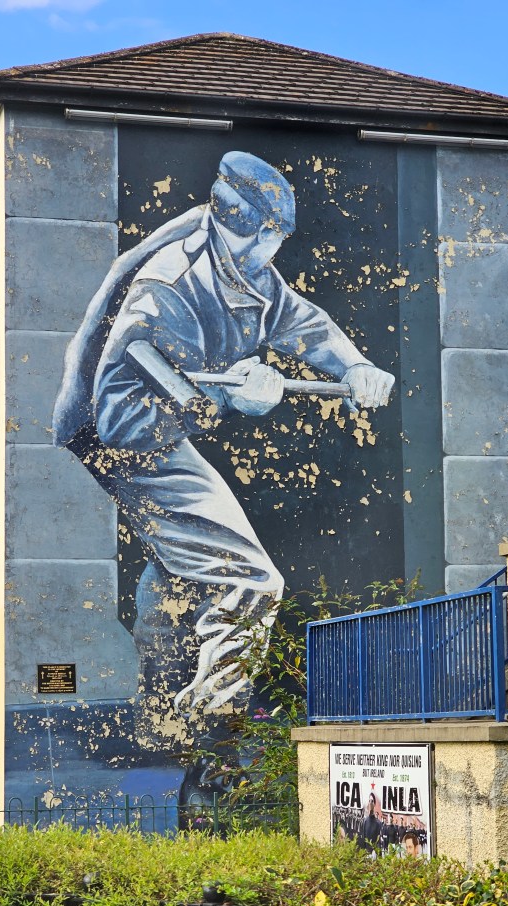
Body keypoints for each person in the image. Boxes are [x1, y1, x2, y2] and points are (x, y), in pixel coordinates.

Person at [53, 151, 394, 769]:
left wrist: (356, 366)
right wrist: (224, 401)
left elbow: (301, 322)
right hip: (120, 432)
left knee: (180, 567)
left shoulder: (237, 262)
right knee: (249, 578)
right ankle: (214, 723)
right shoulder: (169, 288)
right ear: (264, 231)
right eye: (272, 237)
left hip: (144, 423)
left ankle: (159, 718)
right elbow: (120, 420)